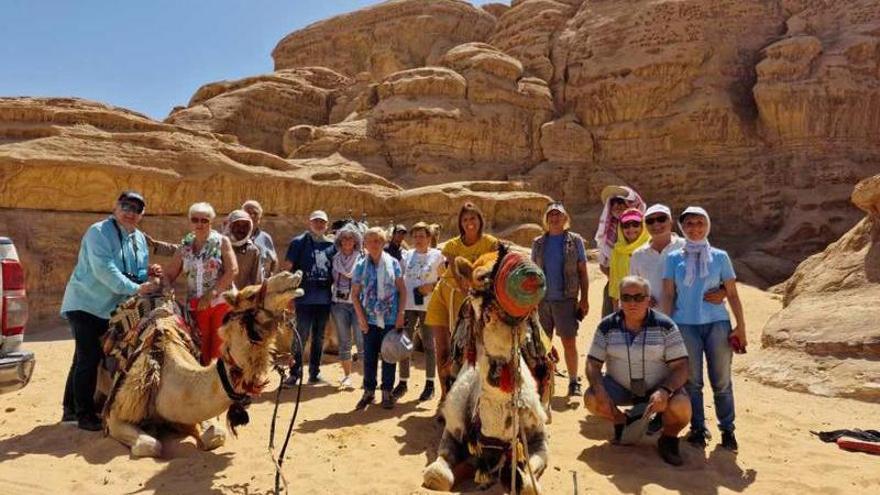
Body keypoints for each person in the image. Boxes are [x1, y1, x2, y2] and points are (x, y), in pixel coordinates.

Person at [61, 191, 159, 431]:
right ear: (115, 207)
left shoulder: (138, 239)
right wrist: (137, 288)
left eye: (136, 209)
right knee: (89, 357)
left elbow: (136, 273)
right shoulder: (98, 232)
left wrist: (149, 274)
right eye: (126, 206)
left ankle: (70, 409)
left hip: (111, 309)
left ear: (142, 214)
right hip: (85, 303)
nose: (130, 213)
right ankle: (84, 415)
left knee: (83, 357)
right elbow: (105, 269)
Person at [662, 206, 746, 452]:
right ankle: (698, 428)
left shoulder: (720, 257)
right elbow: (669, 295)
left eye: (700, 222)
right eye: (689, 223)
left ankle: (727, 430)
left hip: (717, 324)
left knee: (722, 381)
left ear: (707, 225)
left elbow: (732, 293)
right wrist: (666, 327)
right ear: (682, 227)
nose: (695, 228)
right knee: (692, 382)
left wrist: (741, 327)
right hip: (685, 325)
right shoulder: (673, 258)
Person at [584, 276, 692, 466]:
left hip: (657, 388)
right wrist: (599, 390)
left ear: (648, 300)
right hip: (620, 387)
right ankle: (621, 421)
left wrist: (664, 391)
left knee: (681, 405)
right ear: (619, 300)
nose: (632, 303)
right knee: (591, 398)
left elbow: (682, 366)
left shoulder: (666, 326)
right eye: (626, 297)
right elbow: (592, 363)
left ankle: (668, 438)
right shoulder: (607, 326)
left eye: (638, 297)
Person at [425, 202, 499, 399]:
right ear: (460, 223)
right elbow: (459, 276)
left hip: (474, 301)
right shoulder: (452, 246)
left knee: (468, 351)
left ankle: (468, 398)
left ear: (480, 220)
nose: (469, 222)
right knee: (443, 349)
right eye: (465, 219)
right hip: (446, 297)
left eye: (472, 218)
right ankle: (445, 396)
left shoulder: (491, 243)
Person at [163, 202, 238, 365]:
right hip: (196, 306)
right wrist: (167, 287)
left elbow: (232, 270)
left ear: (211, 222)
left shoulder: (221, 241)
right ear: (190, 221)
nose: (199, 224)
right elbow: (169, 273)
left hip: (220, 303)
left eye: (204, 220)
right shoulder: (185, 246)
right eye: (195, 220)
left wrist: (212, 293)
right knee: (199, 348)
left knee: (219, 349)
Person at [531, 201, 590, 397]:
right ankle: (543, 381)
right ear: (546, 220)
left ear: (565, 218)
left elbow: (583, 271)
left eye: (558, 215)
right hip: (542, 301)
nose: (555, 218)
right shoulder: (538, 243)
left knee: (568, 342)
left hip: (566, 300)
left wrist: (584, 299)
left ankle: (573, 381)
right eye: (551, 215)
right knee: (542, 344)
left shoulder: (575, 241)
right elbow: (532, 273)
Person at [351, 227, 407, 410]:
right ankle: (369, 391)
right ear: (365, 245)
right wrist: (361, 319)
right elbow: (354, 295)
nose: (374, 244)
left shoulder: (393, 263)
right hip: (369, 319)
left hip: (390, 318)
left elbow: (402, 290)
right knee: (369, 357)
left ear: (383, 243)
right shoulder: (360, 266)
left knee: (389, 356)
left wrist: (401, 314)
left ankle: (387, 391)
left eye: (377, 240)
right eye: (370, 241)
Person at [282, 210, 337, 386]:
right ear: (310, 222)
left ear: (327, 225)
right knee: (301, 336)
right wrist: (288, 295)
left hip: (324, 299)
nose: (319, 225)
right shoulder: (298, 242)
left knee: (319, 337)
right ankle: (294, 373)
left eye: (322, 222)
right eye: (316, 221)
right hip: (304, 299)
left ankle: (314, 373)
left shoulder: (331, 245)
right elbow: (288, 269)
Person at [394, 222, 444, 401]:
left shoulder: (437, 256)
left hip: (428, 307)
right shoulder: (407, 256)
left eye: (422, 236)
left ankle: (430, 384)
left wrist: (432, 286)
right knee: (405, 344)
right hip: (408, 306)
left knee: (429, 345)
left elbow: (445, 279)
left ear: (429, 238)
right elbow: (399, 279)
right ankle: (403, 382)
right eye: (415, 236)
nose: (418, 240)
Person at [595, 186, 645, 316]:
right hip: (615, 287)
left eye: (621, 202)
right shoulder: (608, 233)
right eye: (613, 203)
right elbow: (603, 264)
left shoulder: (644, 231)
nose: (617, 206)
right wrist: (616, 278)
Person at [630, 205, 685, 308]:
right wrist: (641, 297)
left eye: (661, 219)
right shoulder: (638, 255)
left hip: (685, 314)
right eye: (650, 221)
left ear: (671, 221)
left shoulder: (687, 247)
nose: (656, 224)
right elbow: (634, 285)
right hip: (653, 315)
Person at [330, 223, 364, 389]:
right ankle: (347, 376)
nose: (348, 241)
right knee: (344, 341)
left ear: (355, 241)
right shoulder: (335, 259)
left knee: (361, 340)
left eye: (351, 238)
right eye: (344, 238)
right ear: (340, 241)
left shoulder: (361, 259)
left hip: (358, 304)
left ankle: (367, 377)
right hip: (339, 304)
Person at [609, 208, 650, 309]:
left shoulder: (651, 247)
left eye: (635, 224)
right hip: (625, 305)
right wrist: (616, 310)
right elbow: (614, 283)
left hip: (649, 305)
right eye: (626, 225)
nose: (631, 229)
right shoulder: (617, 250)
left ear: (643, 226)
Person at [225, 209, 263, 289]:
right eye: (238, 225)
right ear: (230, 226)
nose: (241, 229)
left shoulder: (252, 251)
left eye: (245, 226)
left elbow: (256, 281)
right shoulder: (219, 246)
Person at [242, 200, 277, 278]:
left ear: (260, 217)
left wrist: (270, 276)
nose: (252, 216)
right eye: (248, 213)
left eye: (255, 213)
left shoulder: (265, 238)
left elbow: (274, 260)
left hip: (259, 284)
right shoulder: (234, 236)